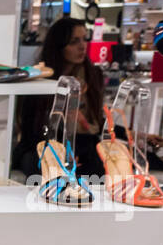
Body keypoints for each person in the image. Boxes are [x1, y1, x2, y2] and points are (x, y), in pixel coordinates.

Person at [13, 16, 109, 180]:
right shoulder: (40, 81)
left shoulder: (93, 76)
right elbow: (30, 131)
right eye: (73, 42)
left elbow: (98, 123)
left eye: (84, 39)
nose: (82, 46)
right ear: (59, 46)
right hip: (44, 145)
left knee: (95, 168)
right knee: (43, 168)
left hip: (83, 147)